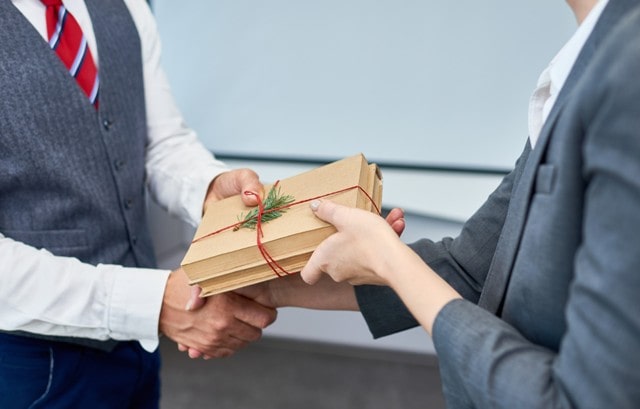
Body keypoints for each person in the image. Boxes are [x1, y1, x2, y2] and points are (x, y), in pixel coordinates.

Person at [188, 0, 640, 407]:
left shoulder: (626, 72)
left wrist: (388, 261)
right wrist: (265, 286)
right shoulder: (587, 64)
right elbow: (469, 267)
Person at [0, 0, 277, 407]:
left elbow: (159, 140)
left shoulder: (129, 5)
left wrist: (208, 188)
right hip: (32, 366)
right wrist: (151, 303)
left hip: (138, 345)